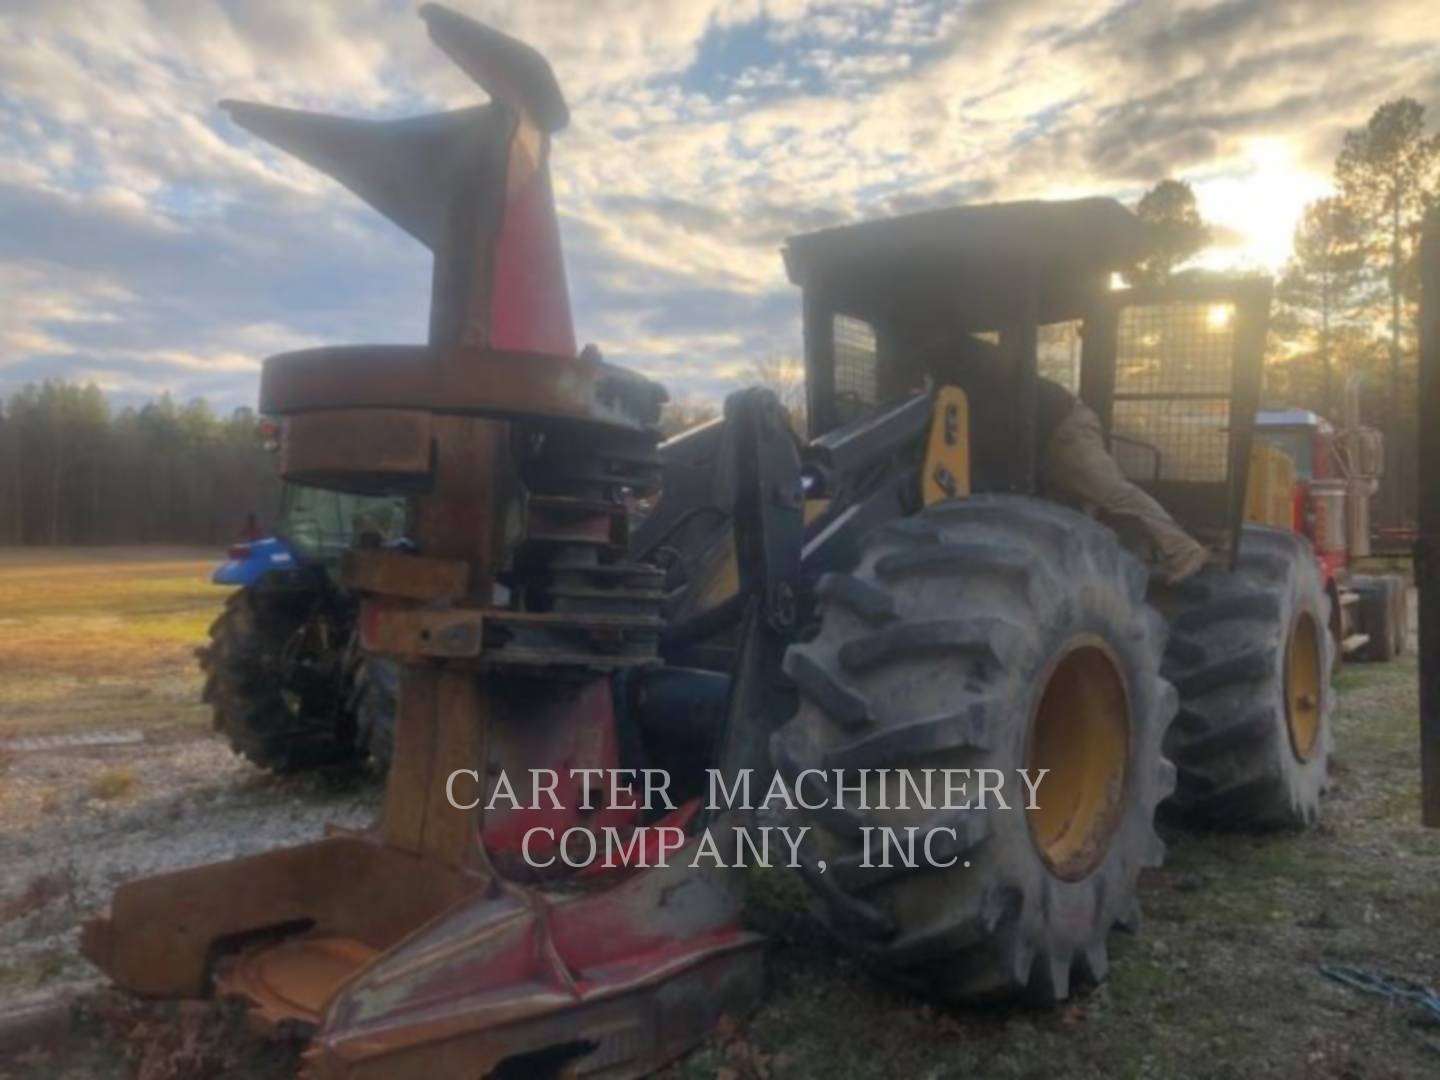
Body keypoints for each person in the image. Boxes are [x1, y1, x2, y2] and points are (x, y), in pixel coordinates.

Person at [929, 334, 1209, 584]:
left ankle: (1185, 550)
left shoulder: (970, 363)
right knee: (1065, 512)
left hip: (1067, 427)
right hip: (1042, 441)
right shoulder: (964, 363)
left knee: (1111, 492)